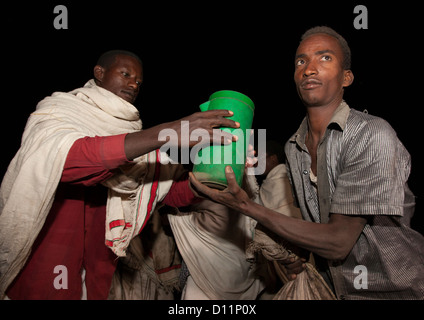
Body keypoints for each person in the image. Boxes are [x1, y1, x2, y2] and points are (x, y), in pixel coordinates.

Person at [189, 27, 424, 299]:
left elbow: (337, 243)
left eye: (325, 58)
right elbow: (312, 228)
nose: (309, 69)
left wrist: (245, 205)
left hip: (394, 290)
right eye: (301, 61)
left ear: (346, 77)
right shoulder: (294, 146)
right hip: (332, 289)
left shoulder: (371, 135)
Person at [0, 50, 239, 299]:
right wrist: (165, 133)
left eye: (139, 81)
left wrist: (215, 176)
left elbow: (165, 192)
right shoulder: (59, 112)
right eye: (126, 74)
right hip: (46, 263)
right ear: (99, 73)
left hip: (97, 271)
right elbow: (68, 161)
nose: (134, 84)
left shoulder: (133, 134)